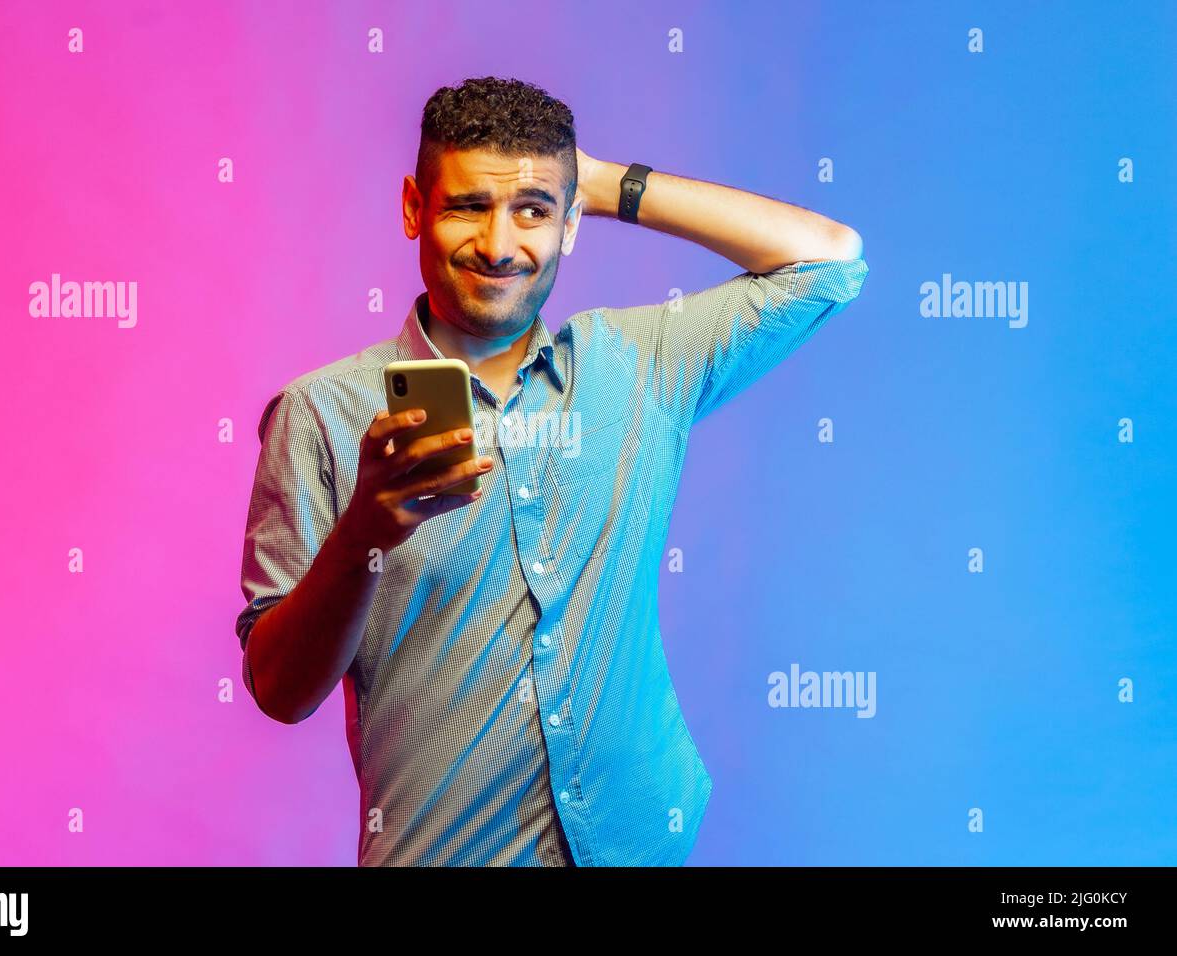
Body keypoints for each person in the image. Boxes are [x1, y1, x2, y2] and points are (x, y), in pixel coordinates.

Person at [236, 76, 868, 866]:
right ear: (413, 210)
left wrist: (603, 184)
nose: (500, 245)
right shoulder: (320, 413)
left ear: (571, 224)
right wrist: (366, 529)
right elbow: (279, 690)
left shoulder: (639, 363)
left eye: (533, 210)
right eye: (469, 204)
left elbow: (831, 263)